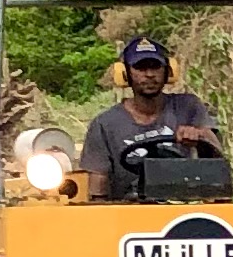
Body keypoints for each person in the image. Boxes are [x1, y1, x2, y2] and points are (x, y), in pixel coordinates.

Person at [78, 36, 225, 199]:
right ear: (125, 73)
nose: (149, 74)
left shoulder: (188, 107)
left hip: (182, 209)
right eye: (140, 68)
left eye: (155, 67)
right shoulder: (104, 125)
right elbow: (97, 190)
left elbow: (217, 158)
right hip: (128, 212)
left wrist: (200, 137)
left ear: (168, 71)